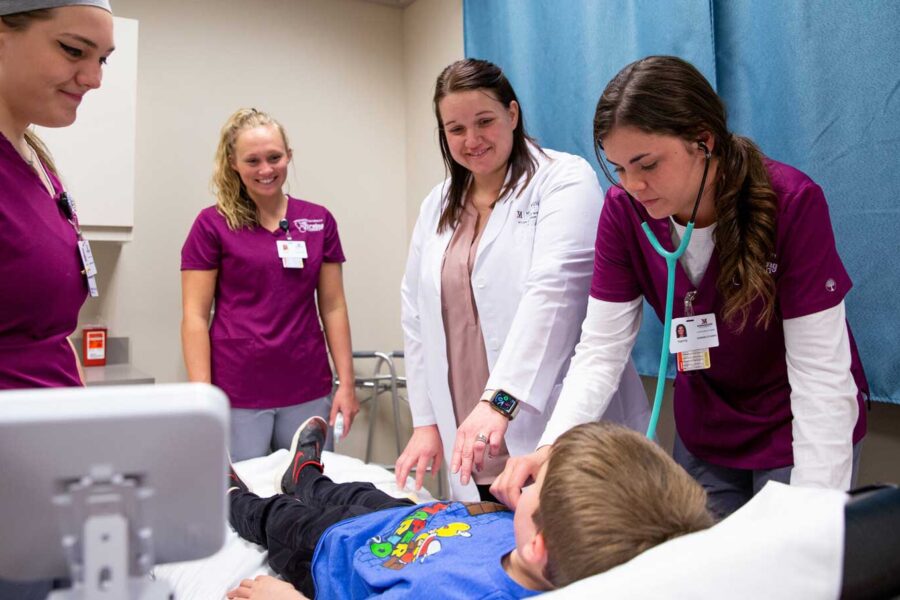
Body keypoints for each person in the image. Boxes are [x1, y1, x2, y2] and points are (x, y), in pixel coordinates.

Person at [489, 56, 868, 517]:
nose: (633, 185)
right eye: (619, 168)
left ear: (703, 141)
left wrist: (812, 516)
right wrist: (552, 446)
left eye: (646, 164)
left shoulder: (791, 203)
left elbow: (821, 375)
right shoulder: (624, 213)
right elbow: (601, 350)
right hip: (708, 432)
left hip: (796, 426)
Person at [396, 58, 648, 502]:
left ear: (512, 114)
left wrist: (501, 402)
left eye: (485, 121)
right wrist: (425, 422)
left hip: (547, 421)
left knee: (567, 555)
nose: (472, 140)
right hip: (472, 435)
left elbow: (555, 295)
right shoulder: (436, 205)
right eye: (455, 129)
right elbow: (415, 314)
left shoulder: (563, 179)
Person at [225, 418, 713, 600]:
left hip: (332, 552)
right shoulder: (561, 545)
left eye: (533, 486)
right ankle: (305, 475)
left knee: (277, 518)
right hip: (405, 518)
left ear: (539, 544)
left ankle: (231, 497)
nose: (524, 481)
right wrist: (509, 508)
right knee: (343, 490)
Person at [0, 1, 114, 597]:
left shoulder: (37, 162)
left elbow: (48, 335)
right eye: (73, 51)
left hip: (48, 476)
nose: (93, 78)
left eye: (102, 59)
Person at [181, 108, 358, 461]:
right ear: (233, 163)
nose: (266, 170)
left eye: (274, 157)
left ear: (289, 156)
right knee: (246, 500)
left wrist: (347, 383)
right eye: (253, 160)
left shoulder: (317, 220)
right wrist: (202, 396)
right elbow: (195, 316)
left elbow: (334, 306)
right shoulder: (212, 224)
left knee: (312, 494)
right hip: (238, 391)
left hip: (307, 385)